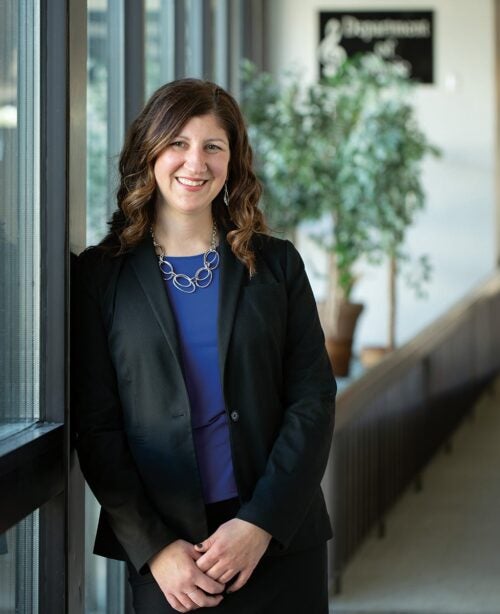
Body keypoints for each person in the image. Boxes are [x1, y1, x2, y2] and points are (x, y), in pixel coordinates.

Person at [73, 78, 336, 613]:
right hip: (171, 559)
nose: (195, 162)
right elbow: (96, 426)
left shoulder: (277, 264)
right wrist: (155, 548)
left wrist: (259, 522)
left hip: (278, 540)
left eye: (213, 146)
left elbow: (312, 400)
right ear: (149, 151)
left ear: (233, 160)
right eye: (178, 143)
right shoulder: (101, 276)